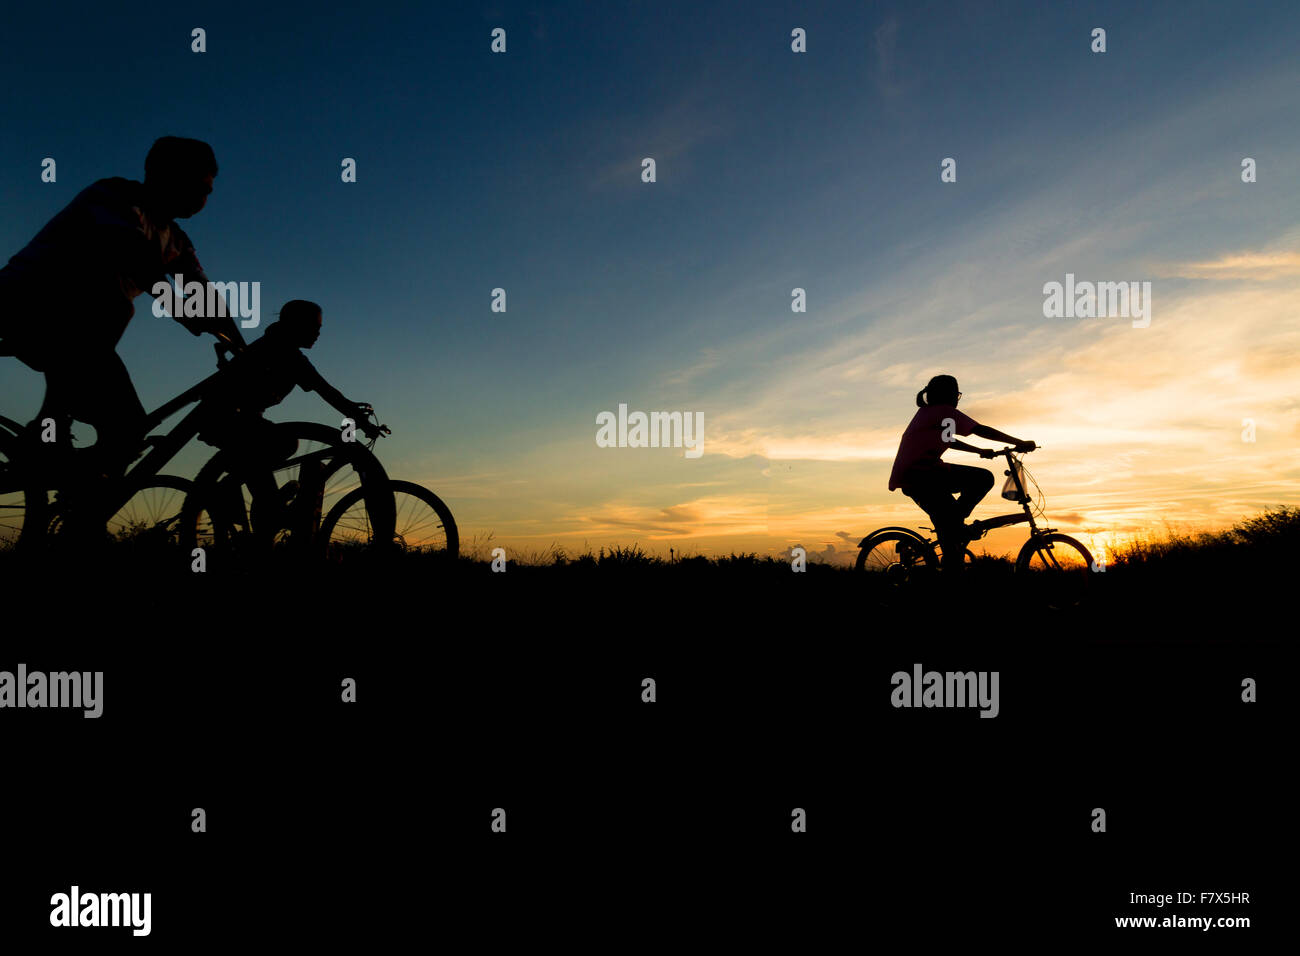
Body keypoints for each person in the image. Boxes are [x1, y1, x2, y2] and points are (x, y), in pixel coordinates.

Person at [0, 136, 245, 493]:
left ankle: (70, 482)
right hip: (25, 305)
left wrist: (243, 347)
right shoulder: (114, 197)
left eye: (208, 191)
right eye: (198, 187)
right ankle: (51, 445)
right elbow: (137, 260)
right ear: (166, 176)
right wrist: (180, 310)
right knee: (113, 311)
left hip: (78, 330)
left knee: (126, 430)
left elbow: (205, 295)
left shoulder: (176, 239)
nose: (204, 199)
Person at [195, 300, 382, 541]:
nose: (317, 333)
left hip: (233, 419)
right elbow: (325, 391)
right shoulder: (284, 353)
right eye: (313, 327)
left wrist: (356, 415)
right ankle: (242, 497)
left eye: (319, 328)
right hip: (225, 418)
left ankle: (251, 501)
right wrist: (359, 419)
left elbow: (325, 390)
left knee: (270, 452)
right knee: (280, 445)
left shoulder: (279, 348)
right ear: (295, 325)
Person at [887, 374, 1035, 573]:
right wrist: (1019, 442)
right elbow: (980, 429)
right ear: (949, 394)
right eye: (957, 394)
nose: (957, 398)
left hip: (924, 474)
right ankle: (956, 529)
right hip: (921, 475)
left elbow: (949, 439)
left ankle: (953, 546)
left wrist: (979, 451)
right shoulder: (943, 411)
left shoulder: (930, 413)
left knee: (948, 525)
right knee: (983, 478)